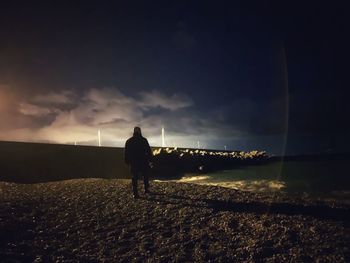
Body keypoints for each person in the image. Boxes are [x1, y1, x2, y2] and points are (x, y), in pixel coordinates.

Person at [124, 127, 152, 198]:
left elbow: (126, 152)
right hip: (143, 160)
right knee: (145, 175)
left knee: (134, 177)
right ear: (140, 132)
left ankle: (135, 193)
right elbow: (148, 150)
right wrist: (150, 159)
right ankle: (146, 189)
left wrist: (127, 160)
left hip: (134, 161)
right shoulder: (144, 140)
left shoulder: (129, 141)